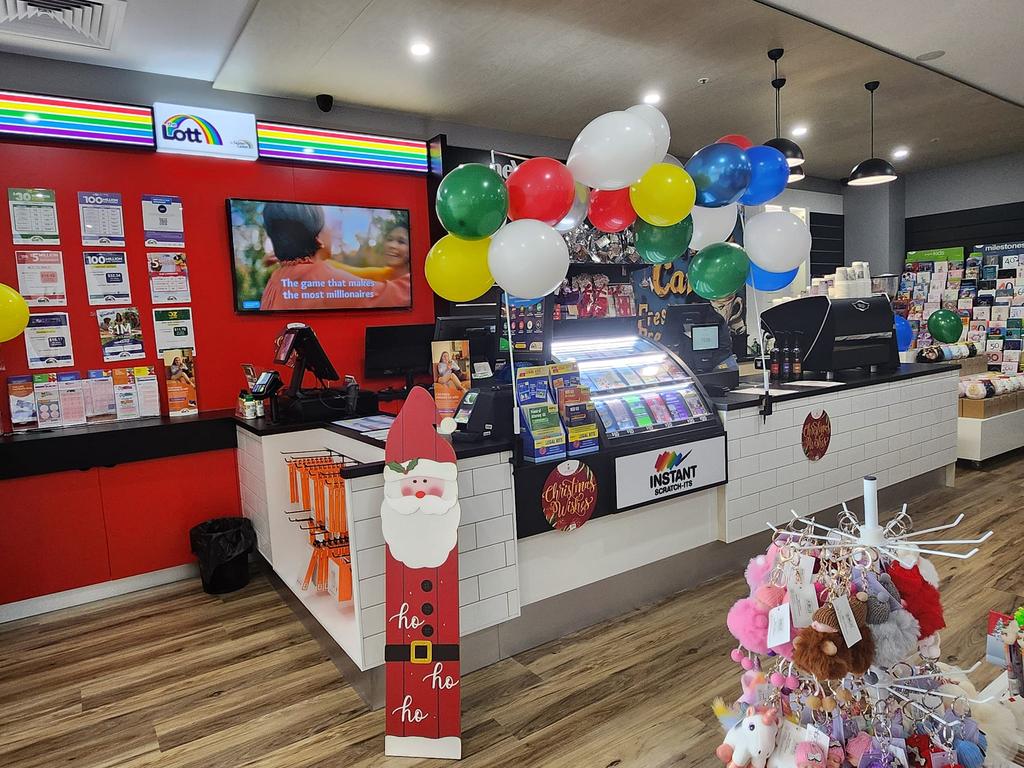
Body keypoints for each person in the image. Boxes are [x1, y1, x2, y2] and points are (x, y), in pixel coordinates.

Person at [258, 203, 409, 311]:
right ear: (318, 237)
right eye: (327, 225)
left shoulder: (277, 279)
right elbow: (394, 294)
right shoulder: (327, 279)